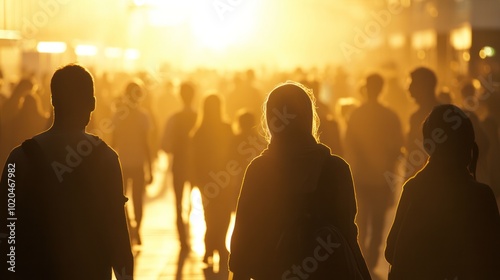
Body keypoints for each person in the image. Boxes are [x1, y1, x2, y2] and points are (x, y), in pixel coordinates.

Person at [0, 64, 134, 279]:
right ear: (92, 103)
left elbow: (7, 231)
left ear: (53, 101)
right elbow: (117, 233)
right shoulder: (106, 160)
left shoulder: (20, 159)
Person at [229, 82, 371, 280]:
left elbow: (244, 240)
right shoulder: (336, 169)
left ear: (271, 119)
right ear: (308, 117)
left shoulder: (259, 170)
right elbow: (347, 233)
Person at [385, 104, 500, 279]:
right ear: (468, 146)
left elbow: (391, 251)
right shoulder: (481, 195)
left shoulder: (415, 189)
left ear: (428, 145)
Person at [344, 74, 403, 277]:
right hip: (381, 179)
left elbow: (348, 145)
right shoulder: (390, 116)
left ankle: (363, 264)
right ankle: (368, 262)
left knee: (361, 224)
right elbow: (397, 148)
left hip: (360, 178)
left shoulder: (356, 114)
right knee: (377, 226)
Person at [191, 94, 234, 269]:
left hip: (208, 180)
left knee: (211, 215)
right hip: (222, 178)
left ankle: (212, 247)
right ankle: (218, 247)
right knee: (222, 215)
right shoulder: (226, 128)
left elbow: (195, 159)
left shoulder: (199, 131)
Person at [112, 80, 153, 246]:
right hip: (138, 162)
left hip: (122, 162)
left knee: (122, 200)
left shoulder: (118, 115)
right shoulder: (143, 116)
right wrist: (150, 167)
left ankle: (129, 228)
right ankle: (138, 229)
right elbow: (146, 144)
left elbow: (113, 142)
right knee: (138, 199)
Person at [161, 82, 197, 250]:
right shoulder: (199, 116)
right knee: (198, 199)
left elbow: (165, 146)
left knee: (178, 200)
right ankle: (192, 228)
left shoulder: (174, 118)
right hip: (196, 166)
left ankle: (182, 236)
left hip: (179, 164)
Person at [404, 67, 441, 177]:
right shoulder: (444, 112)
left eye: (412, 83)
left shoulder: (438, 114)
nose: (408, 88)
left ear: (424, 87)